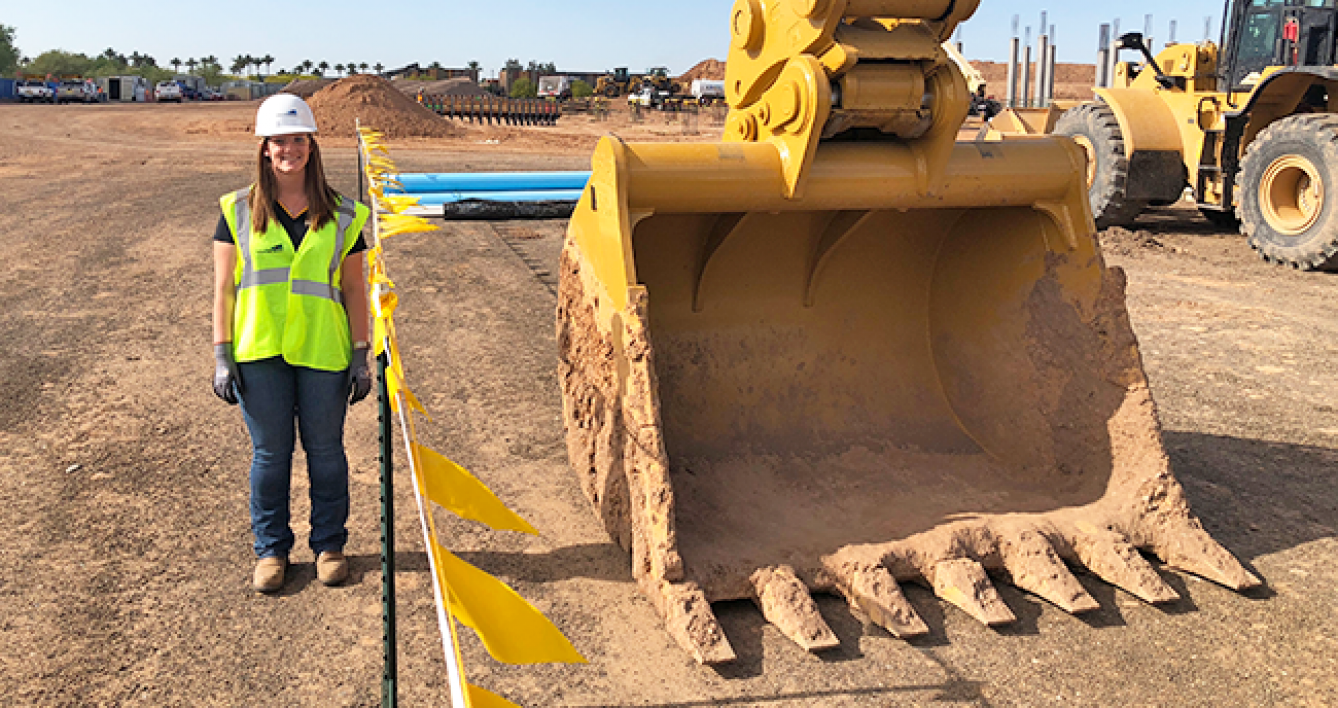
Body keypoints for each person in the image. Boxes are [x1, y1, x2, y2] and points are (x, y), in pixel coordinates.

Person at [211, 93, 373, 593]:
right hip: (259, 353)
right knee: (270, 455)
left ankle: (329, 545)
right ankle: (271, 551)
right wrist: (221, 353)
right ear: (264, 148)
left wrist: (361, 355)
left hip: (324, 351)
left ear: (311, 146)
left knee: (326, 453)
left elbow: (353, 289)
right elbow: (224, 288)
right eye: (279, 141)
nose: (289, 150)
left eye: (297, 140)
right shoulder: (236, 211)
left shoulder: (345, 214)